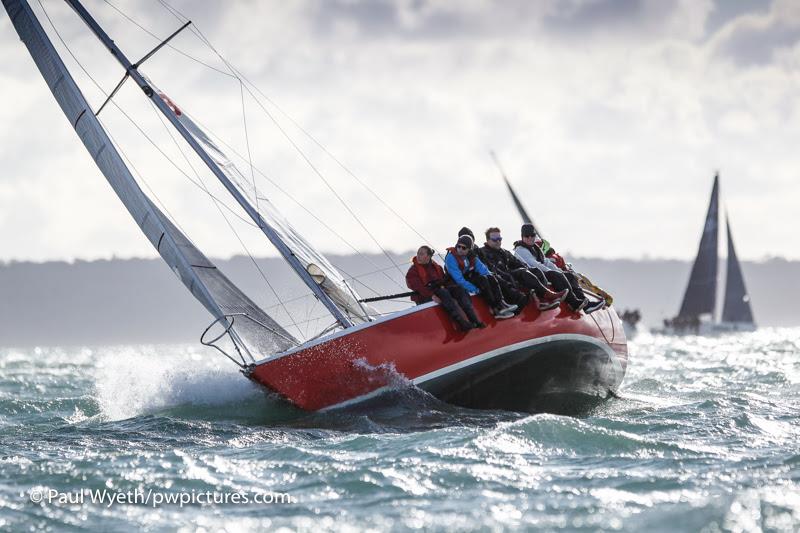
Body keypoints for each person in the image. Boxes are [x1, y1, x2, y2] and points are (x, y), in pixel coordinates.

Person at [513, 224, 604, 314]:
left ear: (535, 235)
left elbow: (546, 262)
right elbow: (534, 264)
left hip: (541, 272)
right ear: (522, 237)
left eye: (532, 235)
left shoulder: (535, 248)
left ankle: (585, 303)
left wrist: (560, 271)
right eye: (526, 236)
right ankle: (574, 303)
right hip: (532, 274)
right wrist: (553, 272)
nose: (529, 238)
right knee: (555, 275)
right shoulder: (521, 249)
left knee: (569, 276)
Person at [479, 227, 566, 312]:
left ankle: (544, 299)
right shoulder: (483, 253)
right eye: (494, 239)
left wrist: (527, 269)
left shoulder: (504, 252)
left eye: (499, 239)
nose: (498, 241)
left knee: (535, 270)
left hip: (511, 274)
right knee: (522, 272)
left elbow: (517, 262)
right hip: (502, 278)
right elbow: (492, 270)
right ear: (487, 240)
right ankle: (543, 296)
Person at [405, 245, 486, 331]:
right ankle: (462, 323)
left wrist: (453, 287)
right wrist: (431, 295)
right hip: (425, 296)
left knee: (459, 290)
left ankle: (475, 320)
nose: (418, 256)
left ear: (428, 256)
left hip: (440, 289)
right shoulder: (412, 271)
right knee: (444, 293)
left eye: (421, 254)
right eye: (418, 253)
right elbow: (418, 287)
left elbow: (444, 280)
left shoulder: (436, 267)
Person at [444, 235, 517, 319]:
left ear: (469, 249)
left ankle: (501, 302)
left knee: (490, 278)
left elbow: (482, 269)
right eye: (458, 246)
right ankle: (495, 309)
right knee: (483, 281)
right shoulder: (451, 258)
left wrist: (491, 275)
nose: (460, 249)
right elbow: (459, 279)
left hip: (468, 277)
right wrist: (475, 289)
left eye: (464, 248)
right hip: (456, 282)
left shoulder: (471, 256)